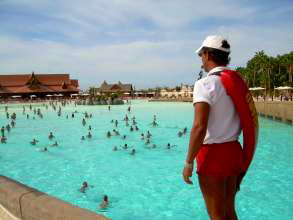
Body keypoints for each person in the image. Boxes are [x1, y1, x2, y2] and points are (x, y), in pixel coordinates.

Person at [182, 35, 258, 220]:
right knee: (229, 211)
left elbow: (199, 127)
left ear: (207, 55)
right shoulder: (236, 82)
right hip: (233, 151)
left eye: (201, 55)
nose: (201, 59)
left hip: (212, 156)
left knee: (216, 214)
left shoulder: (205, 84)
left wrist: (188, 162)